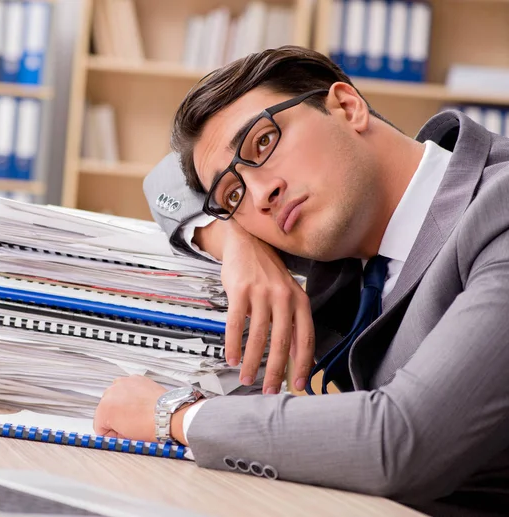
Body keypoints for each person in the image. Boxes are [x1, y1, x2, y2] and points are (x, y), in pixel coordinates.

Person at [92, 46, 509, 516]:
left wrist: (175, 415)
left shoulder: (496, 210)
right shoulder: (339, 234)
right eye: (234, 194)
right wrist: (232, 240)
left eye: (263, 143)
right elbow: (164, 178)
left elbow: (404, 440)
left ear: (346, 106)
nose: (261, 195)